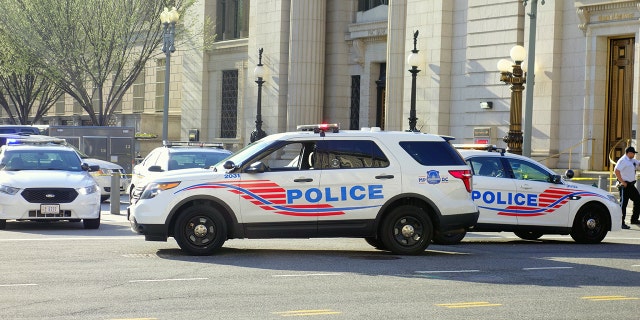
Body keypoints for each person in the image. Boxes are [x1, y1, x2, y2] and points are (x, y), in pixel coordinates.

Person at [614, 146, 640, 229]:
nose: (634, 155)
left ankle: (634, 219)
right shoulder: (623, 160)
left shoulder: (631, 160)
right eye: (633, 153)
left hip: (631, 185)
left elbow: (638, 163)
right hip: (624, 186)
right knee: (623, 205)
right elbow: (616, 171)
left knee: (638, 200)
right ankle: (621, 223)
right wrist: (622, 182)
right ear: (629, 153)